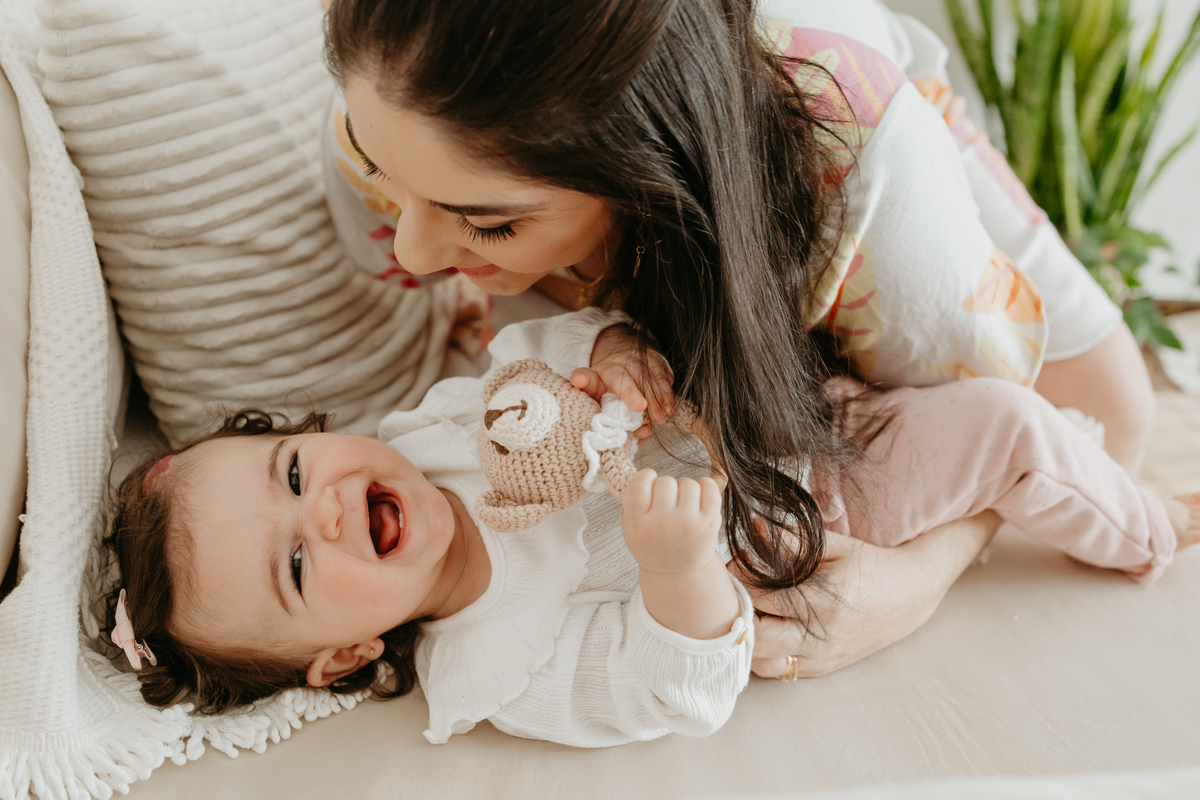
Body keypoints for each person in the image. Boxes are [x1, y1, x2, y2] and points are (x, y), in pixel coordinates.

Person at [318, 0, 1156, 677]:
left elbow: (1042, 432)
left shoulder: (860, 164)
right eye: (384, 174)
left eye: (486, 223)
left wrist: (916, 580)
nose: (414, 253)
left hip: (850, 129)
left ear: (647, 179)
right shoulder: (395, 109)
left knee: (1115, 414)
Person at [105, 310, 1196, 738]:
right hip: (822, 512)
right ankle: (1151, 525)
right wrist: (679, 569)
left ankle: (1075, 447)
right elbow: (679, 686)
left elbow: (542, 347)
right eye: (298, 560)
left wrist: (617, 347)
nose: (329, 504)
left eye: (295, 468)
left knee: (979, 368)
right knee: (1007, 428)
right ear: (343, 655)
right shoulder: (503, 661)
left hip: (778, 398)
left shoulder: (435, 430)